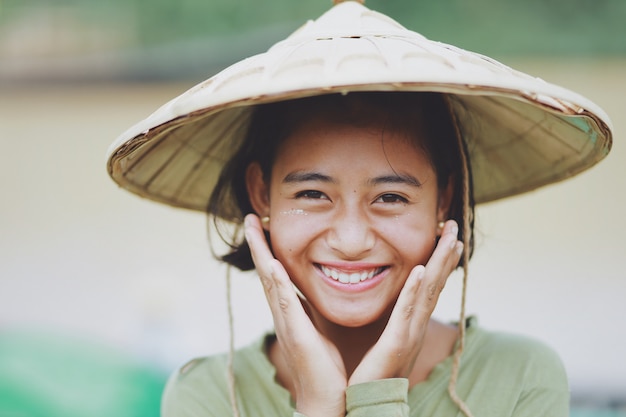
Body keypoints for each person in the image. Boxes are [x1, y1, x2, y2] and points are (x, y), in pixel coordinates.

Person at [106, 1, 613, 417]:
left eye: (390, 198)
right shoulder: (210, 395)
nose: (350, 240)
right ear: (261, 196)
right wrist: (317, 406)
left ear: (444, 199)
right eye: (312, 195)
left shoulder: (518, 377)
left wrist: (377, 395)